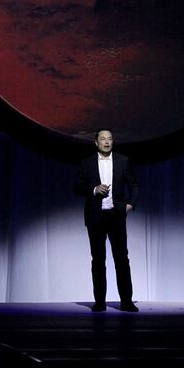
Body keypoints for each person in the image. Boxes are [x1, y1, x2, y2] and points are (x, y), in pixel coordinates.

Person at [73, 128, 139, 312]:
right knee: (98, 260)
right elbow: (77, 186)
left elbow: (134, 185)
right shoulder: (87, 163)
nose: (107, 142)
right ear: (96, 142)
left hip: (116, 216)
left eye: (110, 138)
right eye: (103, 139)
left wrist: (130, 204)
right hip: (95, 217)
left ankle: (126, 301)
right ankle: (100, 302)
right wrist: (94, 190)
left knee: (122, 259)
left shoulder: (122, 160)